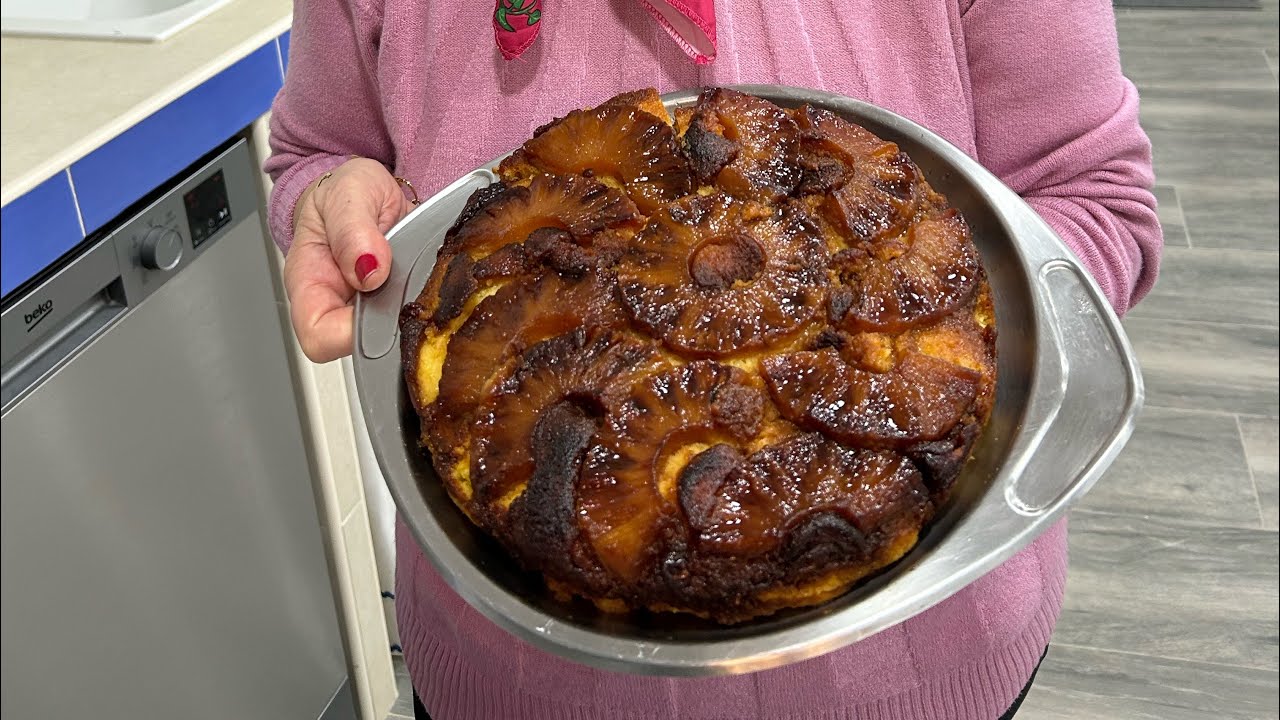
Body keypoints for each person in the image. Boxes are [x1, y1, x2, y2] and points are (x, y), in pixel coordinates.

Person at [265, 1, 1163, 717]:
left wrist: (954, 306)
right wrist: (332, 202)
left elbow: (1092, 194)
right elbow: (317, 151)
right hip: (509, 675)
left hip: (920, 666)